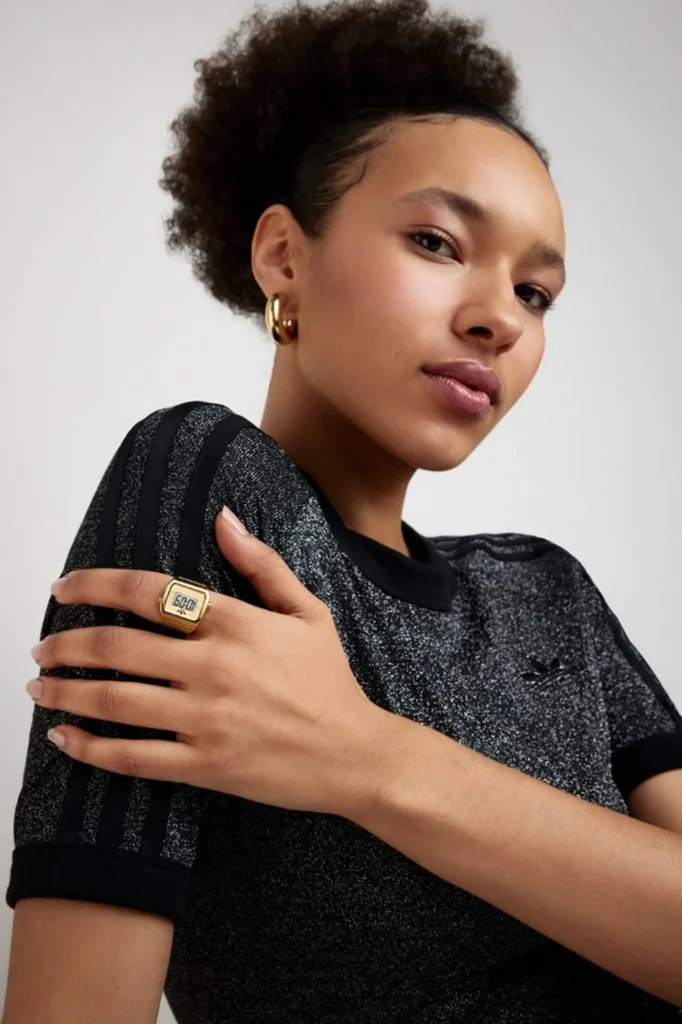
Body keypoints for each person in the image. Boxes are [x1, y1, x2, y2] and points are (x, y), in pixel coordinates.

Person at [4, 0, 682, 1021]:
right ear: (282, 256)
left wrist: (364, 756)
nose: (499, 315)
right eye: (436, 240)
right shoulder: (206, 483)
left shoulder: (545, 587)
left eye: (537, 292)